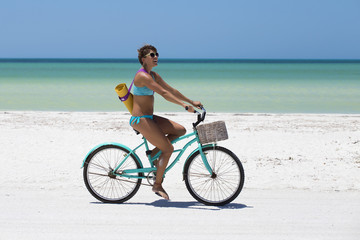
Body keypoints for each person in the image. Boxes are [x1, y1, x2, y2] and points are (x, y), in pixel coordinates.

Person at [130, 44, 202, 200]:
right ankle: (157, 185)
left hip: (149, 118)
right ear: (143, 59)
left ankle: (154, 153)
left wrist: (191, 101)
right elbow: (162, 93)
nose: (156, 56)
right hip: (139, 119)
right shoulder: (142, 76)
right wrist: (183, 105)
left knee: (180, 130)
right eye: (152, 55)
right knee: (168, 149)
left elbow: (171, 90)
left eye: (157, 54)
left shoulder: (154, 75)